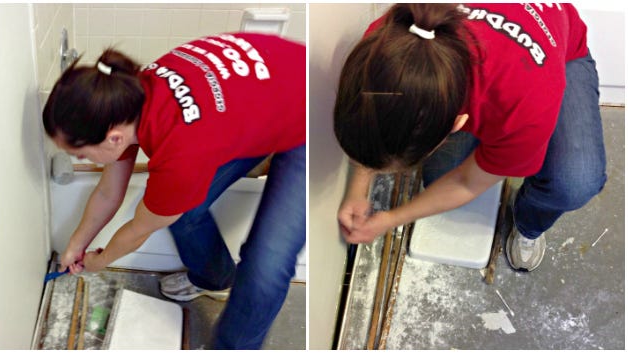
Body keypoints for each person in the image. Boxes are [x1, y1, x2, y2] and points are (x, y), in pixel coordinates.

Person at [43, 32, 306, 349]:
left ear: (112, 137)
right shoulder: (125, 100)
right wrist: (77, 243)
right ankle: (213, 279)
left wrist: (101, 261)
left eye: (82, 154)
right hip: (260, 99)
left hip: (312, 112)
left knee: (265, 267)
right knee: (180, 209)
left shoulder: (179, 154)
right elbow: (108, 192)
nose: (81, 160)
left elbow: (139, 230)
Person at [334, 3, 606, 272]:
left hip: (561, 53)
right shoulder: (387, 43)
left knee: (574, 182)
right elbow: (371, 118)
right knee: (438, 179)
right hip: (494, 71)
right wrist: (358, 190)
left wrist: (390, 219)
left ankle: (528, 224)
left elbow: (467, 182)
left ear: (457, 124)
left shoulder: (527, 105)